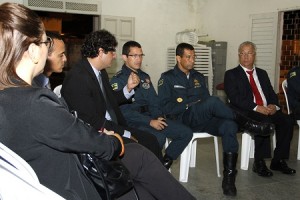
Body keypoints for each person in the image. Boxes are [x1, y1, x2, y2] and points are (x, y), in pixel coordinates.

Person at [0, 3, 196, 200]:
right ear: (33, 51)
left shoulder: (9, 96)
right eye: (46, 43)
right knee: (140, 155)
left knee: (143, 183)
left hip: (44, 179)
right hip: (73, 183)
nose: (62, 57)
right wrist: (116, 140)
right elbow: (89, 139)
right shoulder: (37, 102)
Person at [157, 42, 275, 196]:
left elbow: (205, 103)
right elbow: (165, 107)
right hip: (182, 119)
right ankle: (248, 124)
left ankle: (229, 180)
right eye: (188, 57)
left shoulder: (198, 77)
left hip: (202, 120)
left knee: (229, 126)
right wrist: (188, 105)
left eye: (194, 57)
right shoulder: (167, 78)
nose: (192, 60)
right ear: (178, 58)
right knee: (213, 101)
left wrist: (201, 105)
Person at [61, 30, 163, 161]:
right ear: (100, 52)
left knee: (151, 139)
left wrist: (128, 88)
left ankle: (155, 177)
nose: (114, 56)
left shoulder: (100, 72)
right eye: (112, 52)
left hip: (113, 125)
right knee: (141, 149)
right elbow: (89, 120)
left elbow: (110, 99)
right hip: (98, 132)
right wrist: (124, 134)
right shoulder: (78, 78)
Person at [110, 41, 193, 169]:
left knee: (185, 132)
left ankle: (164, 164)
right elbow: (124, 112)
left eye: (141, 55)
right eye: (134, 56)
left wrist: (158, 116)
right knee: (158, 138)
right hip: (134, 121)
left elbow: (154, 101)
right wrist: (150, 122)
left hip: (151, 117)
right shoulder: (118, 80)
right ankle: (149, 169)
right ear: (125, 57)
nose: (139, 59)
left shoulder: (145, 77)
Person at [224, 41, 296, 178]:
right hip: (246, 111)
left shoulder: (262, 73)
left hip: (266, 109)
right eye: (242, 53)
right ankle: (259, 162)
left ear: (254, 55)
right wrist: (257, 107)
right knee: (264, 122)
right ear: (239, 55)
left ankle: (278, 160)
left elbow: (271, 93)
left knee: (287, 121)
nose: (245, 57)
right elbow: (235, 99)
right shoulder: (231, 74)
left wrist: (274, 106)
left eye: (249, 53)